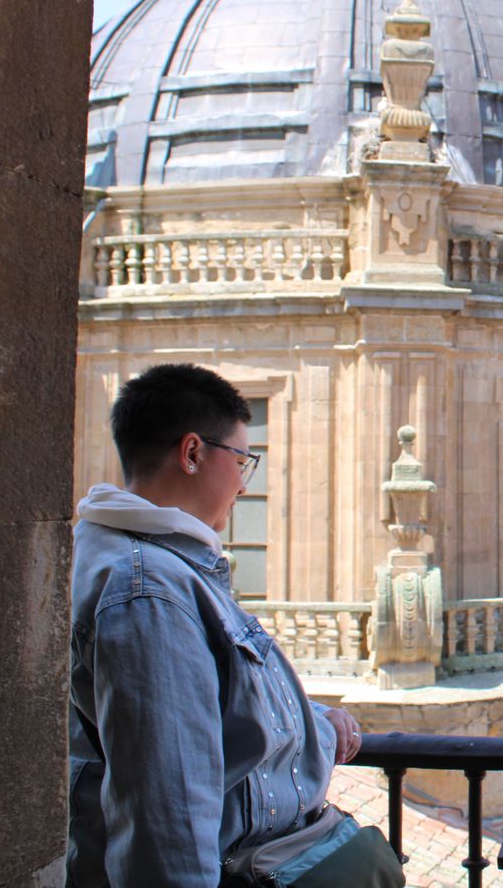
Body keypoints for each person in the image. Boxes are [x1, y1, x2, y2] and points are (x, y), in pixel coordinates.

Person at [67, 363, 365, 887]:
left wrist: (313, 722)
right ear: (192, 453)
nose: (245, 485)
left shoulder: (155, 563)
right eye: (243, 461)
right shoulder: (149, 592)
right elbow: (166, 816)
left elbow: (205, 702)